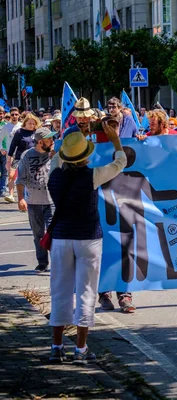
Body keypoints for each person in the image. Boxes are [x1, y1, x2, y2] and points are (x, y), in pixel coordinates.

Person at [47, 122, 126, 364]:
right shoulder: (92, 175)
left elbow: (55, 159)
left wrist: (63, 144)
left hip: (60, 237)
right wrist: (115, 141)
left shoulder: (54, 174)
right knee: (86, 292)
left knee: (60, 291)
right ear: (86, 155)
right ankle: (80, 349)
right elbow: (120, 163)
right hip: (88, 238)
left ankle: (56, 346)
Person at [16, 127, 56, 273]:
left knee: (54, 233)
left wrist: (57, 157)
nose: (52, 141)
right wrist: (20, 198)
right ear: (40, 142)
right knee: (38, 234)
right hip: (33, 201)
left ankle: (57, 263)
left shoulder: (55, 154)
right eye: (49, 139)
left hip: (52, 202)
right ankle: (42, 263)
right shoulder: (27, 155)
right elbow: (20, 179)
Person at [1, 107, 21, 202]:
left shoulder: (22, 126)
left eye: (16, 114)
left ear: (19, 115)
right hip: (10, 154)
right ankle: (11, 195)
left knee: (22, 174)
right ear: (9, 116)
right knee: (11, 174)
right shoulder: (6, 127)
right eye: (12, 114)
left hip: (22, 154)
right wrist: (1, 148)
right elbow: (0, 139)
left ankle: (24, 195)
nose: (14, 116)